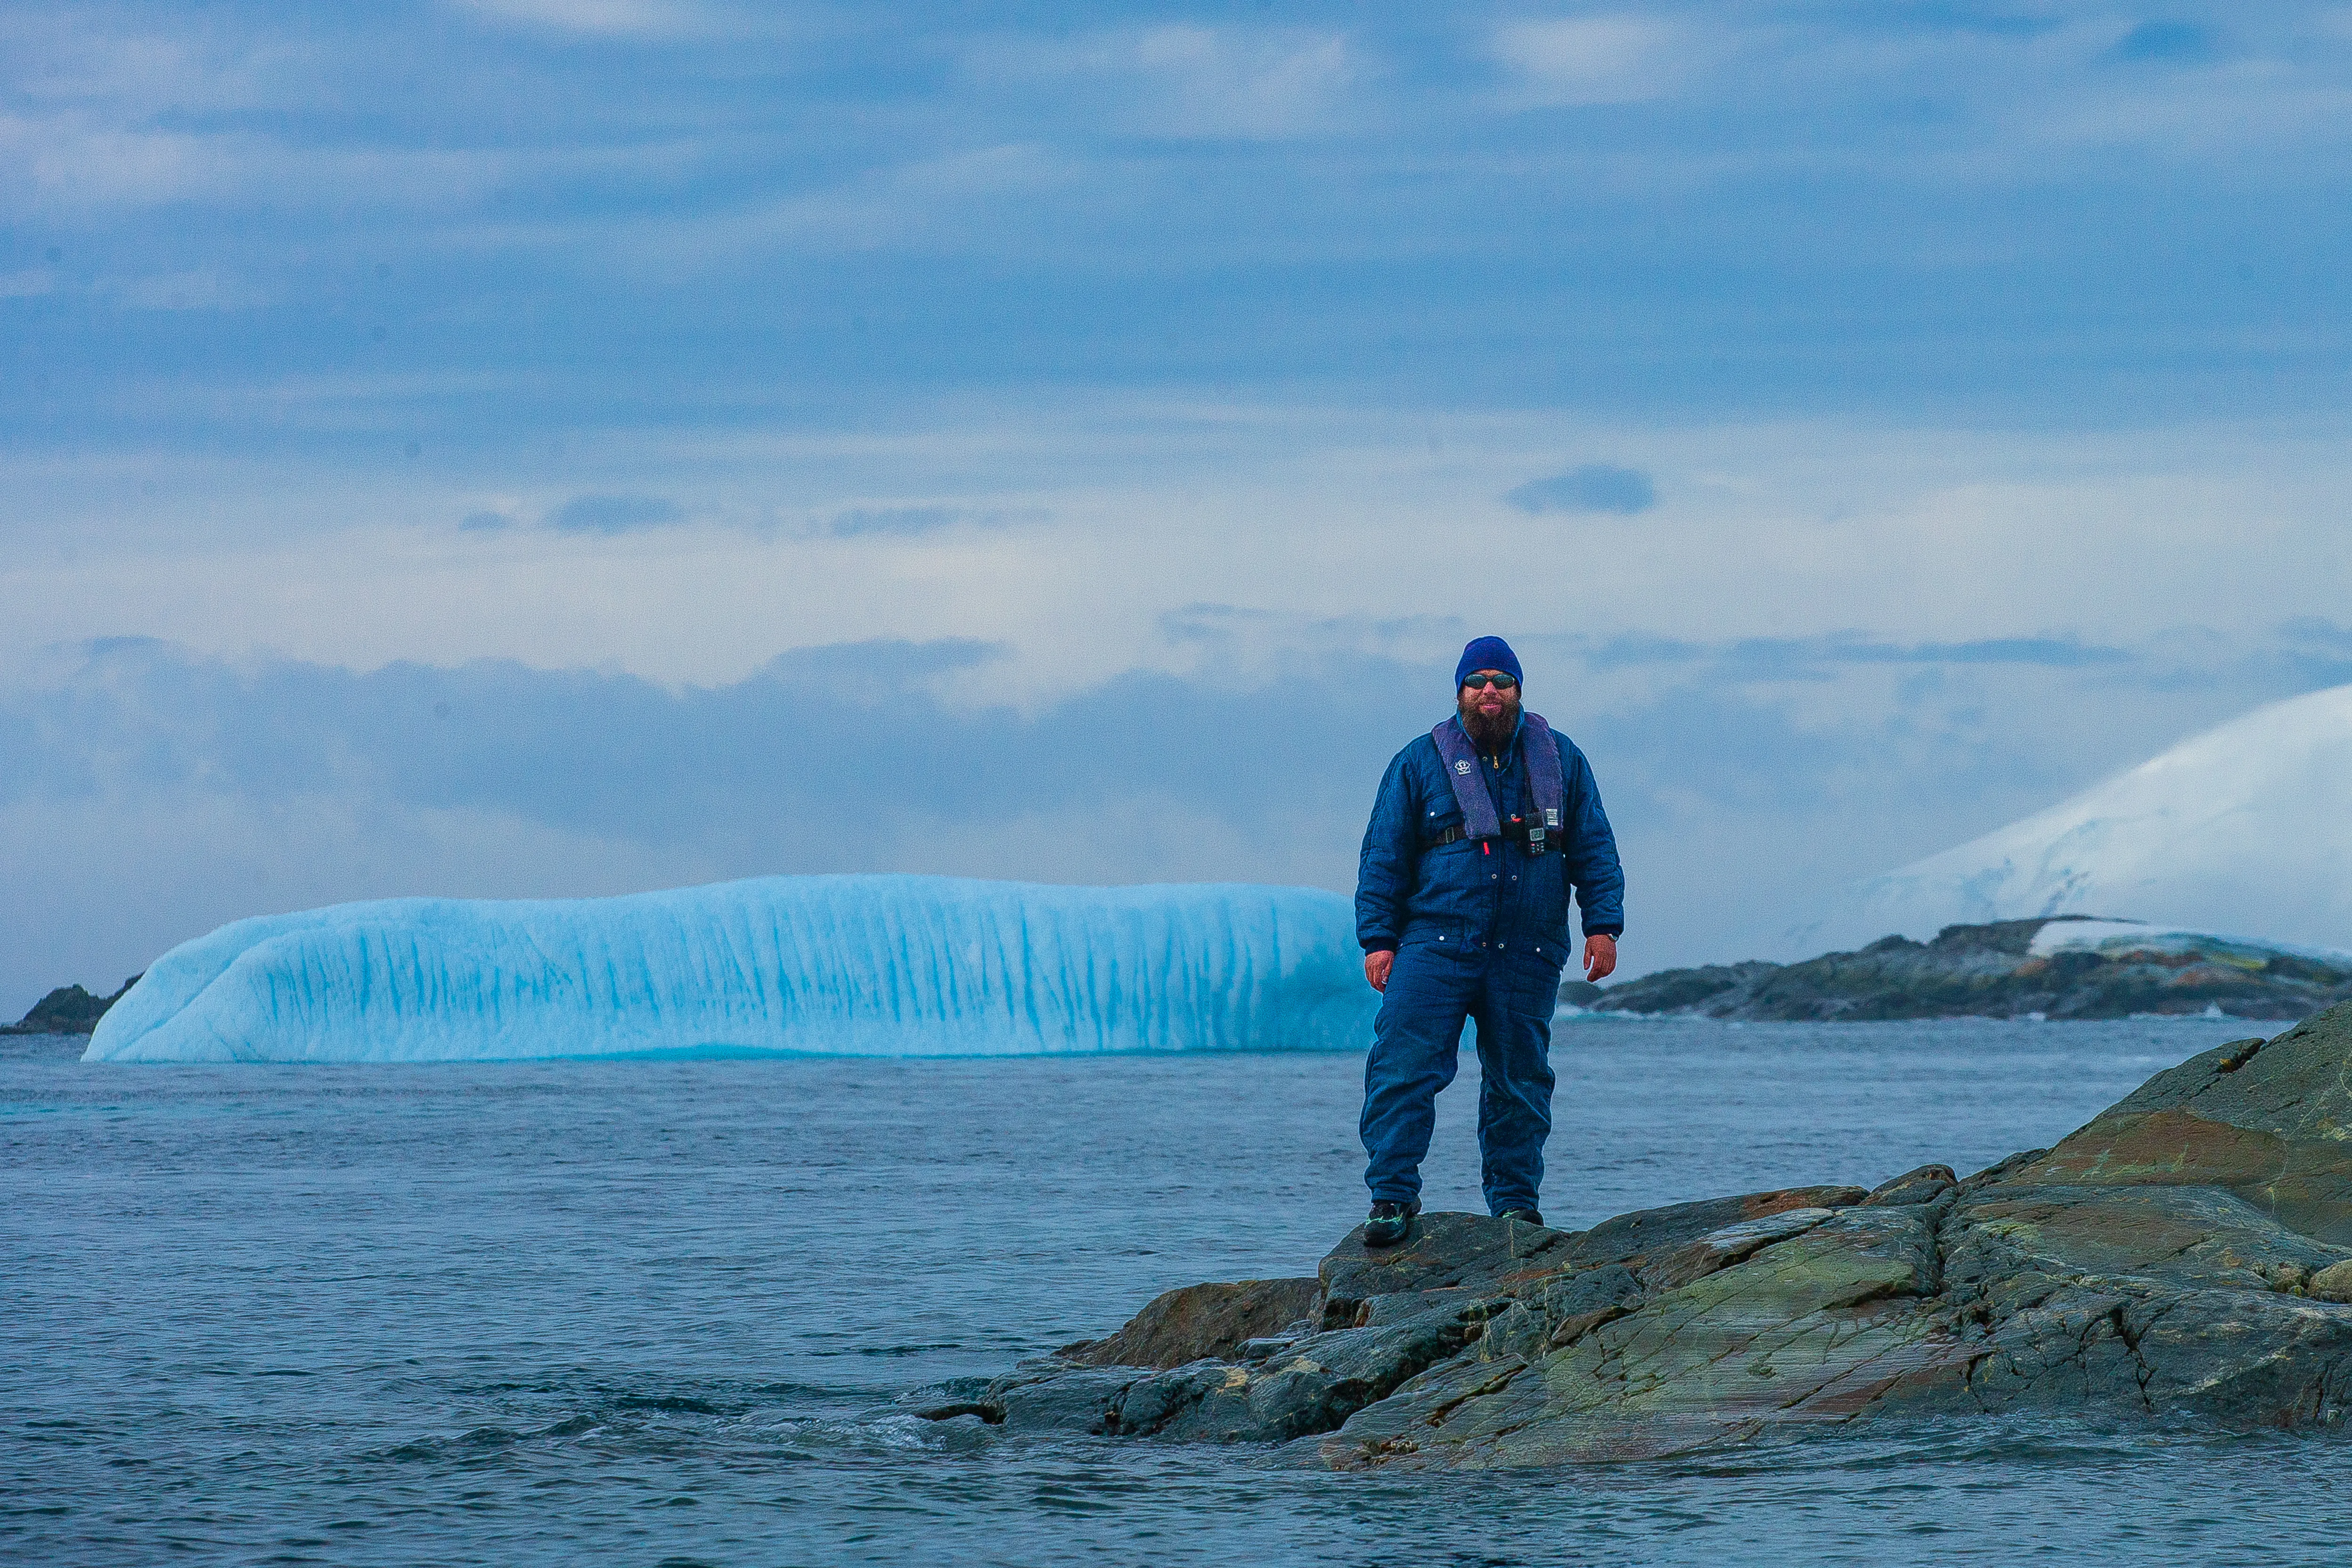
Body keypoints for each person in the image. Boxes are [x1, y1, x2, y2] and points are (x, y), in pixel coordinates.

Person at [1352, 635, 1624, 1247]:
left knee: (1520, 1079)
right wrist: (1378, 939)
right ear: (1460, 694)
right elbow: (1383, 857)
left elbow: (1595, 846)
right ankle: (1392, 1198)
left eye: (1501, 681)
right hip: (1435, 941)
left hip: (1527, 949)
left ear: (1518, 691)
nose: (1490, 692)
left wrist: (1603, 924)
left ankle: (1515, 1207)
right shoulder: (1418, 762)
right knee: (1402, 1068)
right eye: (1478, 682)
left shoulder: (1564, 759)